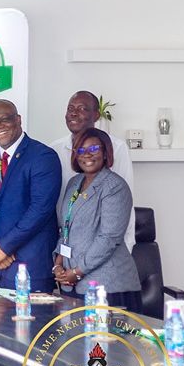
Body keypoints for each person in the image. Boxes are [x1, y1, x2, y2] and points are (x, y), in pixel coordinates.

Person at [53, 128, 142, 313]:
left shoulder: (114, 186)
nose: (87, 154)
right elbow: (66, 228)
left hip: (108, 286)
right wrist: (58, 264)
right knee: (77, 333)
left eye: (94, 148)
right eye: (81, 150)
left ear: (106, 152)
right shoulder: (74, 183)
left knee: (105, 334)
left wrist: (77, 272)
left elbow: (108, 238)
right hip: (74, 284)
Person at [0, 100, 61, 292]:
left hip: (30, 266)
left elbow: (40, 210)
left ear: (18, 119)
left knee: (35, 315)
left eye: (5, 119)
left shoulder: (43, 156)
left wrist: (4, 247)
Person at [50, 91, 135, 250]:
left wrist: (128, 245)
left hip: (104, 246)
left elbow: (126, 202)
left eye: (82, 108)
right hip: (66, 242)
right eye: (70, 108)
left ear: (96, 115)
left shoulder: (117, 148)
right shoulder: (54, 149)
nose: (74, 113)